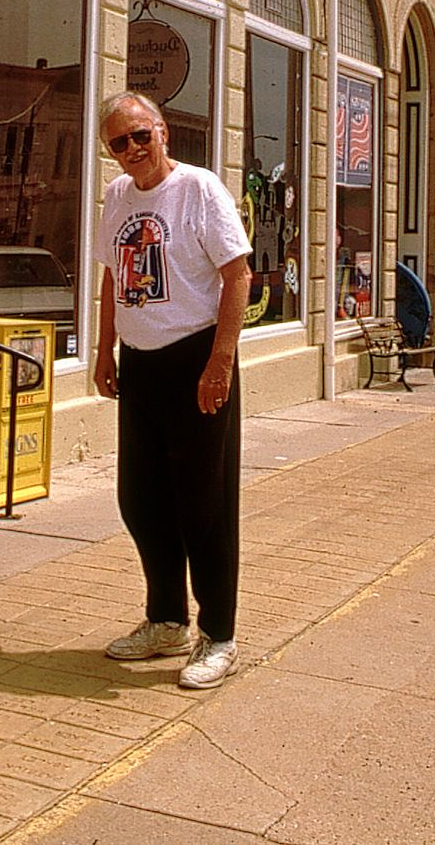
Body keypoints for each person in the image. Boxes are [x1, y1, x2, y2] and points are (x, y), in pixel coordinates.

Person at [92, 91, 252, 690]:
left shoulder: (200, 189)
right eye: (119, 143)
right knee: (142, 501)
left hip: (196, 358)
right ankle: (165, 619)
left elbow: (237, 274)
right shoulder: (115, 197)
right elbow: (112, 275)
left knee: (204, 504)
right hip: (140, 363)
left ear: (162, 131)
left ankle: (219, 633)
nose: (132, 150)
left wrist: (220, 361)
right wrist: (106, 349)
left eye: (140, 136)